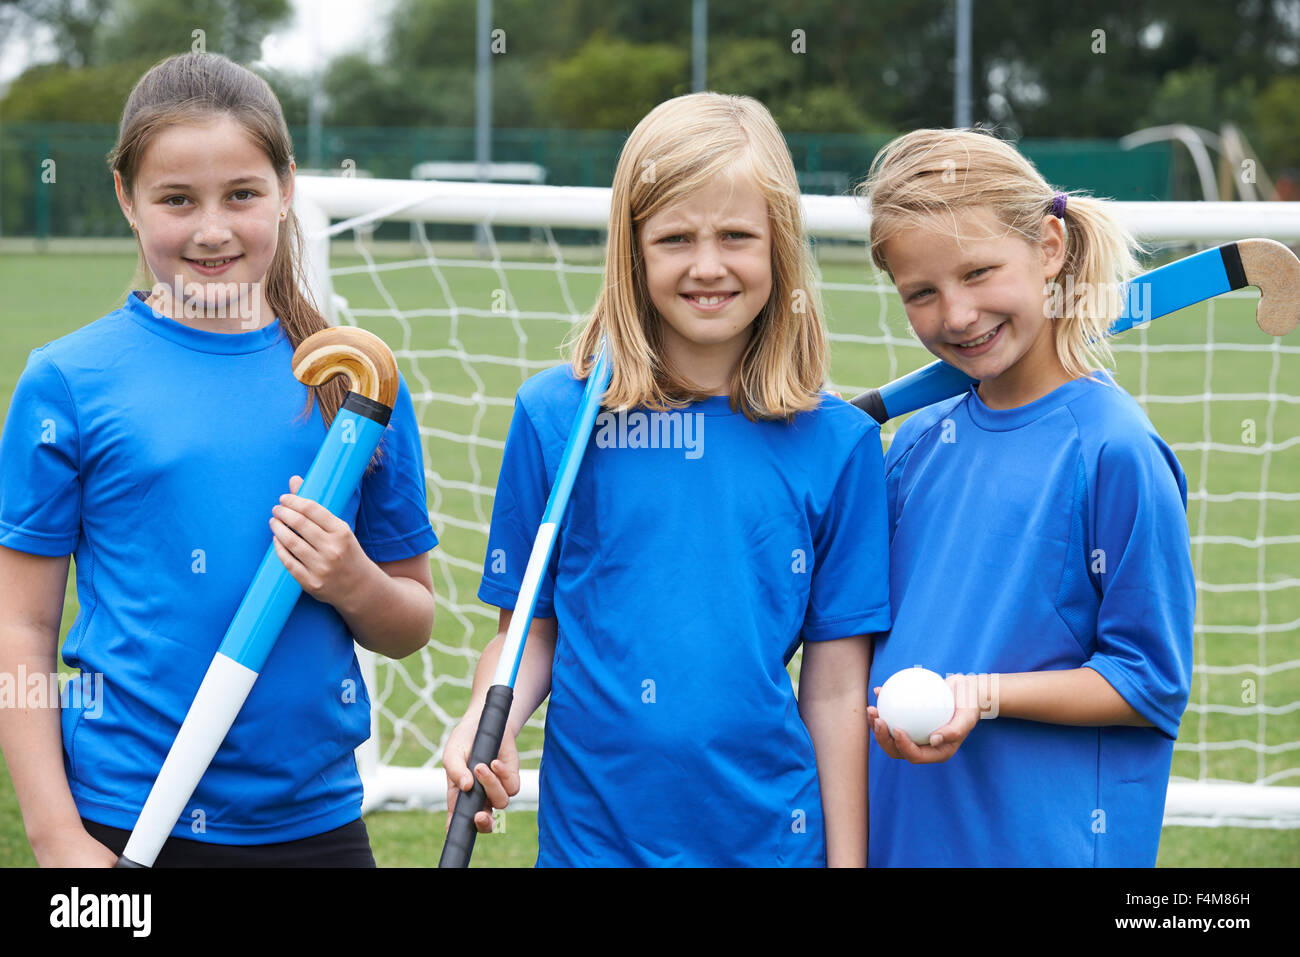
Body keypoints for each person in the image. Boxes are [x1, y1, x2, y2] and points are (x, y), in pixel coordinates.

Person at [0, 52, 438, 867]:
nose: (212, 229)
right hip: (127, 816)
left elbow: (412, 620)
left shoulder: (355, 379)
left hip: (318, 826)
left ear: (287, 189)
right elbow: (18, 627)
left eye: (242, 194)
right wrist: (55, 833)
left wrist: (353, 582)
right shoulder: (68, 381)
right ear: (128, 199)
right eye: (176, 200)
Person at [442, 92, 890, 867]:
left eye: (737, 236)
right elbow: (530, 632)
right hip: (596, 843)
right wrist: (489, 721)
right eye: (676, 237)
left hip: (772, 841)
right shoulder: (556, 416)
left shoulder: (839, 445)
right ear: (633, 249)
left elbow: (836, 689)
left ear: (779, 248)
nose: (707, 265)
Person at [859, 128, 1196, 866]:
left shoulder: (1115, 450)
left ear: (1049, 247)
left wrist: (980, 695)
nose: (955, 315)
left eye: (979, 272)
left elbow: (1148, 683)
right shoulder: (915, 446)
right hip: (903, 837)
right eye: (922, 292)